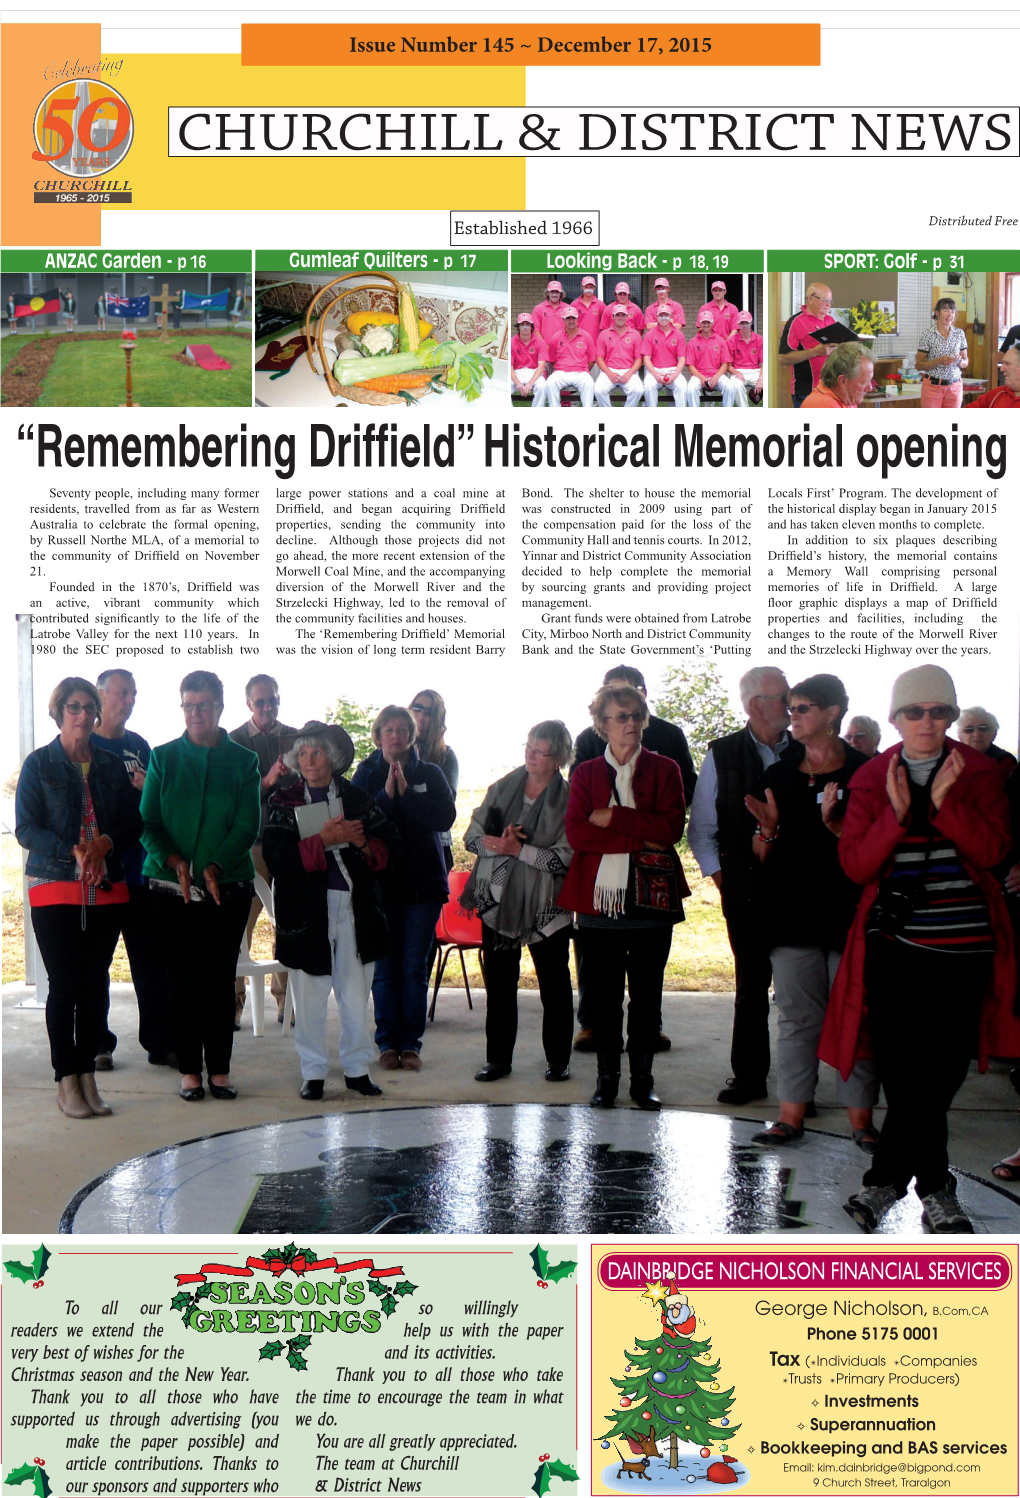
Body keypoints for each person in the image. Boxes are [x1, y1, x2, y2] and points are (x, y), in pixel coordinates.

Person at [820, 665, 1020, 1233]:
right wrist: (901, 815)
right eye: (914, 711)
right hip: (895, 947)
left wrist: (946, 803)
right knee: (908, 1076)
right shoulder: (871, 779)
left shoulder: (982, 773)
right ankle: (937, 1193)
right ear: (895, 718)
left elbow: (991, 853)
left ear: (952, 716)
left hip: (965, 949)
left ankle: (885, 1182)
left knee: (941, 1074)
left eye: (939, 711)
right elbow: (858, 864)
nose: (927, 721)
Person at [744, 675, 879, 1149]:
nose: (792, 715)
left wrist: (841, 829)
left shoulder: (867, 772)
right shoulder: (779, 774)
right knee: (798, 1017)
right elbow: (763, 854)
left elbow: (879, 851)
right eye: (791, 707)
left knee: (856, 1015)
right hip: (791, 910)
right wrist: (768, 832)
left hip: (849, 913)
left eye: (802, 708)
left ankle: (861, 1122)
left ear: (833, 712)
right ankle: (790, 1116)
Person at [558, 683, 688, 1111]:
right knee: (605, 998)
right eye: (620, 716)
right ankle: (607, 1080)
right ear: (602, 725)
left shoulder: (665, 769)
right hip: (598, 904)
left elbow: (670, 831)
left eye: (636, 715)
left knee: (647, 996)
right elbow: (577, 833)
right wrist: (639, 838)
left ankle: (642, 1080)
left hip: (652, 901)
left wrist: (612, 817)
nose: (630, 723)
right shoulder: (585, 773)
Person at [16, 678, 141, 1120]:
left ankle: (88, 1074)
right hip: (54, 885)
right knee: (65, 983)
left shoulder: (110, 765)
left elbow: (133, 823)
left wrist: (105, 843)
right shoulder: (39, 764)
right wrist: (72, 848)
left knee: (94, 984)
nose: (84, 715)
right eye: (75, 707)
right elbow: (26, 829)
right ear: (59, 712)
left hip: (107, 888)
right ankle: (65, 1079)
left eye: (90, 707)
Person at [262, 722, 399, 1100]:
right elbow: (277, 858)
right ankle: (313, 1072)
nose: (308, 760)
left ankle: (357, 1069)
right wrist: (323, 841)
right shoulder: (283, 802)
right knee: (309, 994)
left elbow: (390, 845)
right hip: (307, 911)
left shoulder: (356, 798)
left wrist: (361, 841)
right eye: (302, 754)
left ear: (333, 758)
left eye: (316, 753)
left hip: (356, 909)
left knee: (355, 993)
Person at [141, 671, 261, 1103]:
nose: (196, 713)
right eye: (189, 705)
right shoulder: (163, 758)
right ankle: (190, 1070)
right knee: (181, 979)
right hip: (169, 890)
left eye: (204, 705)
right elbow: (149, 823)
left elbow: (248, 824)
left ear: (220, 708)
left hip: (226, 889)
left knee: (217, 979)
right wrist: (176, 863)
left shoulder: (244, 762)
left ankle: (221, 1070)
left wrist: (213, 865)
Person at [687, 666, 791, 1104]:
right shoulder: (723, 754)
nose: (791, 704)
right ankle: (748, 1076)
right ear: (756, 706)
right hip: (743, 891)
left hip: (797, 890)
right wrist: (723, 881)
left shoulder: (805, 750)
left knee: (799, 993)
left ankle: (800, 1085)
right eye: (783, 697)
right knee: (751, 986)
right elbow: (702, 831)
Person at [462, 721, 575, 1083]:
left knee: (554, 986)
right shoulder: (502, 788)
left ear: (556, 757)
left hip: (547, 909)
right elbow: (471, 837)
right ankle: (497, 1060)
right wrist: (497, 843)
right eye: (527, 747)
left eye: (538, 750)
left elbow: (564, 859)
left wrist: (520, 851)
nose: (529, 755)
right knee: (499, 986)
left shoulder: (569, 799)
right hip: (497, 904)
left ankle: (558, 1061)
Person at [352, 706, 456, 1070]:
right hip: (380, 888)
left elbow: (445, 818)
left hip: (423, 888)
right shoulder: (365, 772)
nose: (395, 735)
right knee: (385, 970)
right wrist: (385, 796)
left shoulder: (430, 772)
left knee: (414, 969)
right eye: (388, 729)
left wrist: (408, 795)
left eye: (402, 730)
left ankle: (411, 1044)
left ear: (413, 736)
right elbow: (358, 822)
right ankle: (387, 1044)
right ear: (378, 735)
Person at [92, 667, 175, 1068]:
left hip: (140, 873)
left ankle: (161, 1043)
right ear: (100, 697)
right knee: (94, 964)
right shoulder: (81, 745)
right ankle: (97, 1043)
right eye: (122, 694)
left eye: (133, 694)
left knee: (151, 962)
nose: (128, 701)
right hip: (99, 875)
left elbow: (157, 808)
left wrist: (149, 789)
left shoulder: (140, 746)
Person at [229, 675, 298, 1025]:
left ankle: (285, 1001)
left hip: (288, 844)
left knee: (287, 922)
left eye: (273, 700)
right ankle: (235, 1003)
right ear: (249, 704)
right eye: (261, 702)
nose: (268, 707)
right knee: (242, 924)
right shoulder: (234, 742)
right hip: (251, 845)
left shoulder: (296, 739)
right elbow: (232, 798)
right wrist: (268, 780)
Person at [408, 688, 459, 872]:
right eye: (417, 708)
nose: (420, 716)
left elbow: (445, 806)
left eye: (428, 712)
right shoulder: (392, 753)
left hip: (434, 843)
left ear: (437, 719)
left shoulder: (446, 756)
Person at [779, 283, 835, 407]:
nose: (828, 305)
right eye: (825, 300)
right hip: (806, 391)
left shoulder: (830, 320)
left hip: (830, 389)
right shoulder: (795, 322)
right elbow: (782, 358)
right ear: (810, 298)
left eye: (830, 301)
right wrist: (815, 351)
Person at [916, 297, 968, 409]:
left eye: (953, 311)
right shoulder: (928, 334)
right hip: (933, 387)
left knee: (952, 425)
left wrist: (959, 361)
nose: (950, 314)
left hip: (955, 387)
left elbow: (966, 361)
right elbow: (919, 365)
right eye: (946, 310)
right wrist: (939, 360)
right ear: (937, 313)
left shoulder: (959, 334)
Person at [544, 306, 597, 408]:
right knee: (550, 383)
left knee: (589, 383)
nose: (571, 321)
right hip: (561, 372)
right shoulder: (556, 337)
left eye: (573, 318)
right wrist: (562, 367)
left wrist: (582, 368)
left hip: (581, 372)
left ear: (577, 319)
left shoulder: (586, 336)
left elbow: (592, 359)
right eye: (568, 318)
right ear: (563, 320)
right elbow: (551, 359)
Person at [594, 303, 645, 408]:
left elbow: (639, 359)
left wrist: (629, 374)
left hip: (628, 370)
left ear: (627, 317)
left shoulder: (635, 334)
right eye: (617, 315)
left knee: (638, 390)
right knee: (599, 390)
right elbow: (599, 359)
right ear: (612, 317)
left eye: (623, 315)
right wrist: (609, 373)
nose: (620, 317)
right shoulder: (604, 334)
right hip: (609, 370)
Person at [685, 312, 738, 407]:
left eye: (708, 322)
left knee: (729, 387)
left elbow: (725, 364)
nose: (706, 325)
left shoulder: (721, 341)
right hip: (699, 376)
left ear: (713, 323)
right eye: (704, 322)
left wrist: (716, 377)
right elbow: (690, 366)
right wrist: (702, 378)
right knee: (691, 389)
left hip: (717, 374)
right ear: (700, 324)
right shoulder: (693, 342)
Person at [801, 342, 874, 409]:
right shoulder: (824, 405)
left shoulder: (846, 399)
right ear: (842, 381)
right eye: (863, 383)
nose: (870, 388)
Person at [642, 304, 688, 408]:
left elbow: (682, 358)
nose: (663, 318)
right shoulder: (649, 335)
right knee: (649, 386)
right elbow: (646, 359)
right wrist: (655, 374)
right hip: (654, 370)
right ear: (657, 317)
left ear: (671, 316)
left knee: (682, 386)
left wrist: (675, 374)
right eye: (661, 315)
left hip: (673, 370)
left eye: (666, 315)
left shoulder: (679, 335)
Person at [510, 312, 549, 408]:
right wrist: (518, 383)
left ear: (532, 327)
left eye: (528, 324)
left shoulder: (540, 342)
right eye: (522, 324)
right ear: (518, 327)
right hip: (517, 372)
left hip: (534, 371)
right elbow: (510, 368)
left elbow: (541, 366)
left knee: (542, 386)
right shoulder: (511, 342)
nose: (525, 327)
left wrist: (529, 384)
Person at [726, 311, 764, 405]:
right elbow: (728, 366)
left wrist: (761, 379)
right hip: (738, 371)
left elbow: (764, 364)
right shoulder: (731, 341)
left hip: (756, 371)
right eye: (742, 323)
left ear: (751, 322)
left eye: (747, 323)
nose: (745, 326)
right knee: (737, 386)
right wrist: (736, 372)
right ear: (738, 324)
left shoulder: (760, 339)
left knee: (770, 384)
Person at [532, 280, 567, 346]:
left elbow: (571, 330)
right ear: (548, 293)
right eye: (552, 292)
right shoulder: (539, 309)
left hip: (563, 348)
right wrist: (545, 346)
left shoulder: (567, 309)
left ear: (561, 293)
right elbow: (535, 330)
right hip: (544, 348)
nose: (554, 295)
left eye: (557, 292)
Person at [572, 276, 606, 343]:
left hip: (596, 342)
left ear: (594, 288)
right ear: (582, 287)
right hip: (579, 342)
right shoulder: (574, 304)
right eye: (586, 287)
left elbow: (604, 325)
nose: (588, 289)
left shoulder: (600, 305)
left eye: (591, 287)